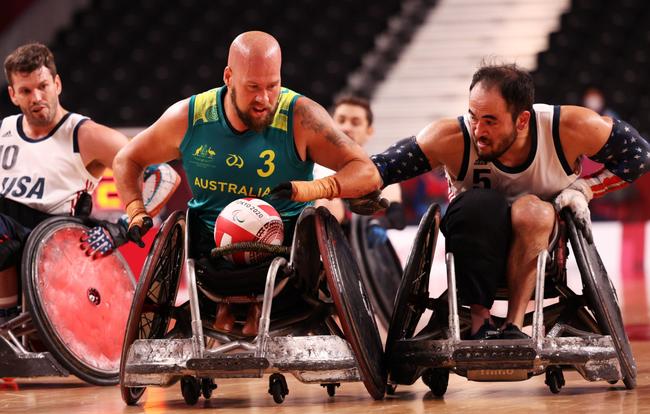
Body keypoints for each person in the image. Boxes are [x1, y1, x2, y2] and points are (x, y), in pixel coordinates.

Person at [112, 31, 382, 336]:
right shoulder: (190, 117)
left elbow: (367, 172)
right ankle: (228, 307)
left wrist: (310, 189)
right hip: (208, 255)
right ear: (228, 77)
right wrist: (136, 210)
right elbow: (126, 159)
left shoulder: (301, 116)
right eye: (253, 87)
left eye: (272, 86)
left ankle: (249, 308)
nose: (264, 99)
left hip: (288, 255)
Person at [366, 62, 650, 340]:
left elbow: (640, 155)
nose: (478, 130)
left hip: (543, 240)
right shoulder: (451, 136)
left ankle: (513, 325)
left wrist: (585, 188)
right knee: (482, 203)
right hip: (472, 237)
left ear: (522, 120)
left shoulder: (568, 127)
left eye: (490, 120)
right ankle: (480, 320)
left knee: (530, 209)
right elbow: (386, 166)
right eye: (474, 116)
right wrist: (368, 190)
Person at [0, 43, 179, 324]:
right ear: (12, 95)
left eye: (43, 86)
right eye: (25, 90)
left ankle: (6, 322)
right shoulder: (5, 130)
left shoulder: (85, 135)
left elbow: (164, 176)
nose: (36, 97)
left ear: (57, 84)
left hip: (51, 237)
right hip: (9, 228)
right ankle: (8, 325)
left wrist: (123, 226)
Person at [314, 95, 406, 246]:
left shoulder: (379, 171)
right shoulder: (312, 166)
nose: (346, 127)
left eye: (355, 122)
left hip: (361, 254)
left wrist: (380, 223)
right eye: (341, 120)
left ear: (369, 131)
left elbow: (397, 217)